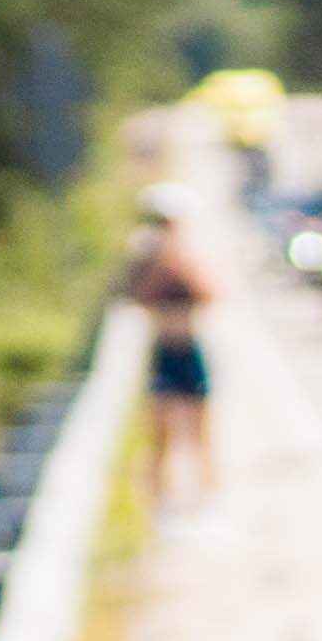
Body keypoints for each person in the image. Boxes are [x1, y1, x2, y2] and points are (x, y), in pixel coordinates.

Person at [117, 184, 219, 512]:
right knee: (159, 433)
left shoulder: (192, 255)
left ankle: (206, 498)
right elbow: (135, 296)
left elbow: (212, 293)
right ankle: (161, 501)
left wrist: (178, 256)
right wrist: (159, 259)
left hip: (190, 347)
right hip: (162, 350)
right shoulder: (143, 259)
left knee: (201, 431)